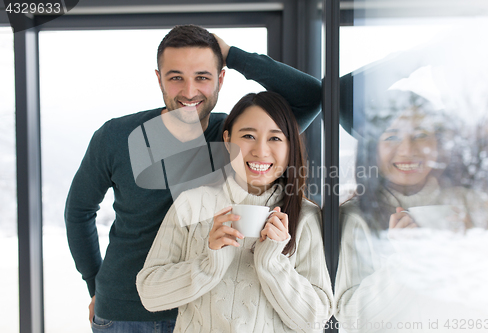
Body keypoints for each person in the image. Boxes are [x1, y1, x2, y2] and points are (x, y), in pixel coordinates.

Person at [64, 25, 322, 332]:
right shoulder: (116, 136)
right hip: (125, 309)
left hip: (203, 307)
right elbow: (79, 212)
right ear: (159, 79)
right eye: (176, 78)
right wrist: (94, 283)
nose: (189, 92)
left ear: (220, 79)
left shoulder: (236, 137)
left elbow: (311, 98)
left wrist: (233, 55)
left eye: (202, 76)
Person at [136, 91, 334, 333]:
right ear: (228, 140)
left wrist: (271, 262)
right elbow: (149, 293)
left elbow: (315, 320)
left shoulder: (305, 215)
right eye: (248, 135)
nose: (261, 151)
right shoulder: (191, 204)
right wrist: (209, 264)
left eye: (275, 138)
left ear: (290, 145)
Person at [333, 89, 488, 332]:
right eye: (391, 137)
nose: (407, 149)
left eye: (421, 135)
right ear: (372, 148)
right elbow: (353, 319)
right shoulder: (353, 217)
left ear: (438, 145)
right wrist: (404, 258)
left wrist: (471, 248)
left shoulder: (472, 204)